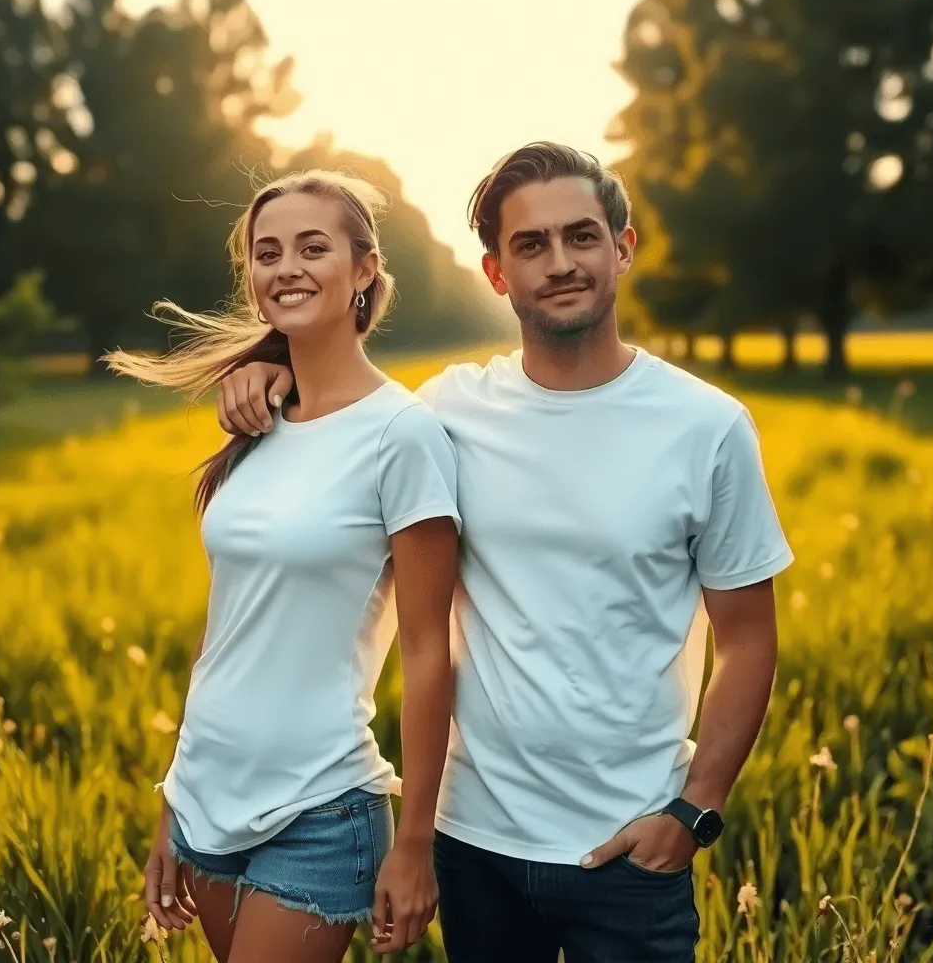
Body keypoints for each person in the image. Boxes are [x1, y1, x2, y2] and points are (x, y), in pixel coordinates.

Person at [214, 142, 794, 963]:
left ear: (621, 248)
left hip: (630, 852)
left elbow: (747, 639)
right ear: (496, 273)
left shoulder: (707, 426)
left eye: (581, 237)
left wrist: (695, 811)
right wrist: (266, 375)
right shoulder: (448, 412)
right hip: (473, 843)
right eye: (530, 245)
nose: (560, 263)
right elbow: (344, 413)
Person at [104, 170, 461, 963]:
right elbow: (224, 631)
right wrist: (176, 795)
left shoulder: (403, 435)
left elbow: (429, 649)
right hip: (206, 797)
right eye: (268, 253)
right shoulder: (254, 420)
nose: (287, 266)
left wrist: (415, 842)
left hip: (319, 808)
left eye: (312, 247)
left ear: (364, 269)